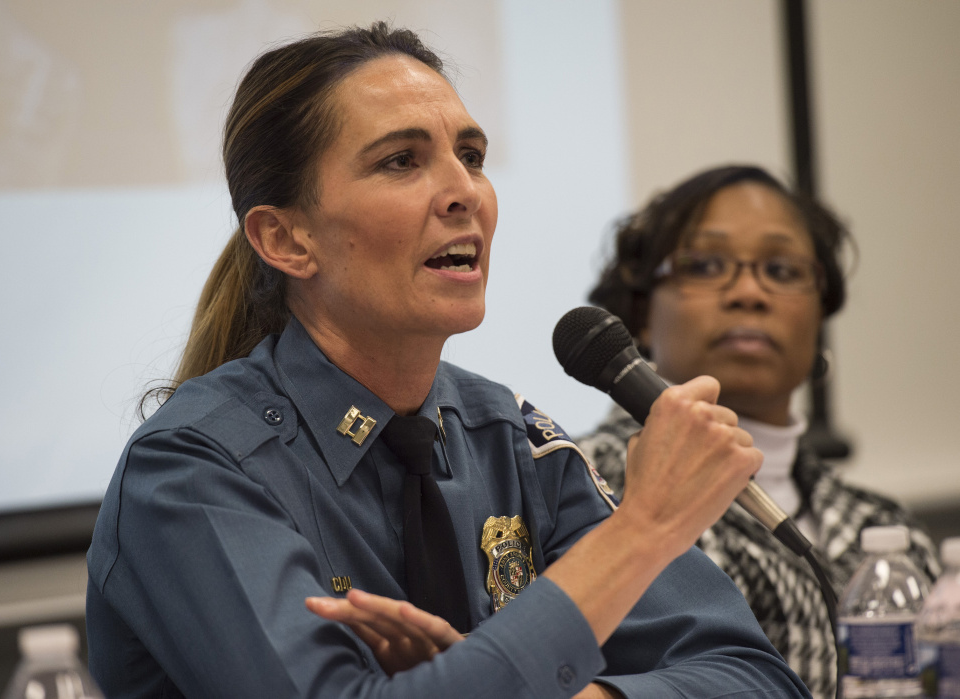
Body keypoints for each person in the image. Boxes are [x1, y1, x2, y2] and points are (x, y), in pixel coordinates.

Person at [85, 26, 810, 698]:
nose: (464, 191)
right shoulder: (192, 469)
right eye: (401, 161)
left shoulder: (511, 441)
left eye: (471, 155)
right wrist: (642, 527)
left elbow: (756, 678)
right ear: (285, 239)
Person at [578, 164, 942, 697]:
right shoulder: (584, 484)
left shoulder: (887, 527)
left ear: (820, 317)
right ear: (642, 314)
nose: (749, 292)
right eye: (704, 265)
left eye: (783, 269)